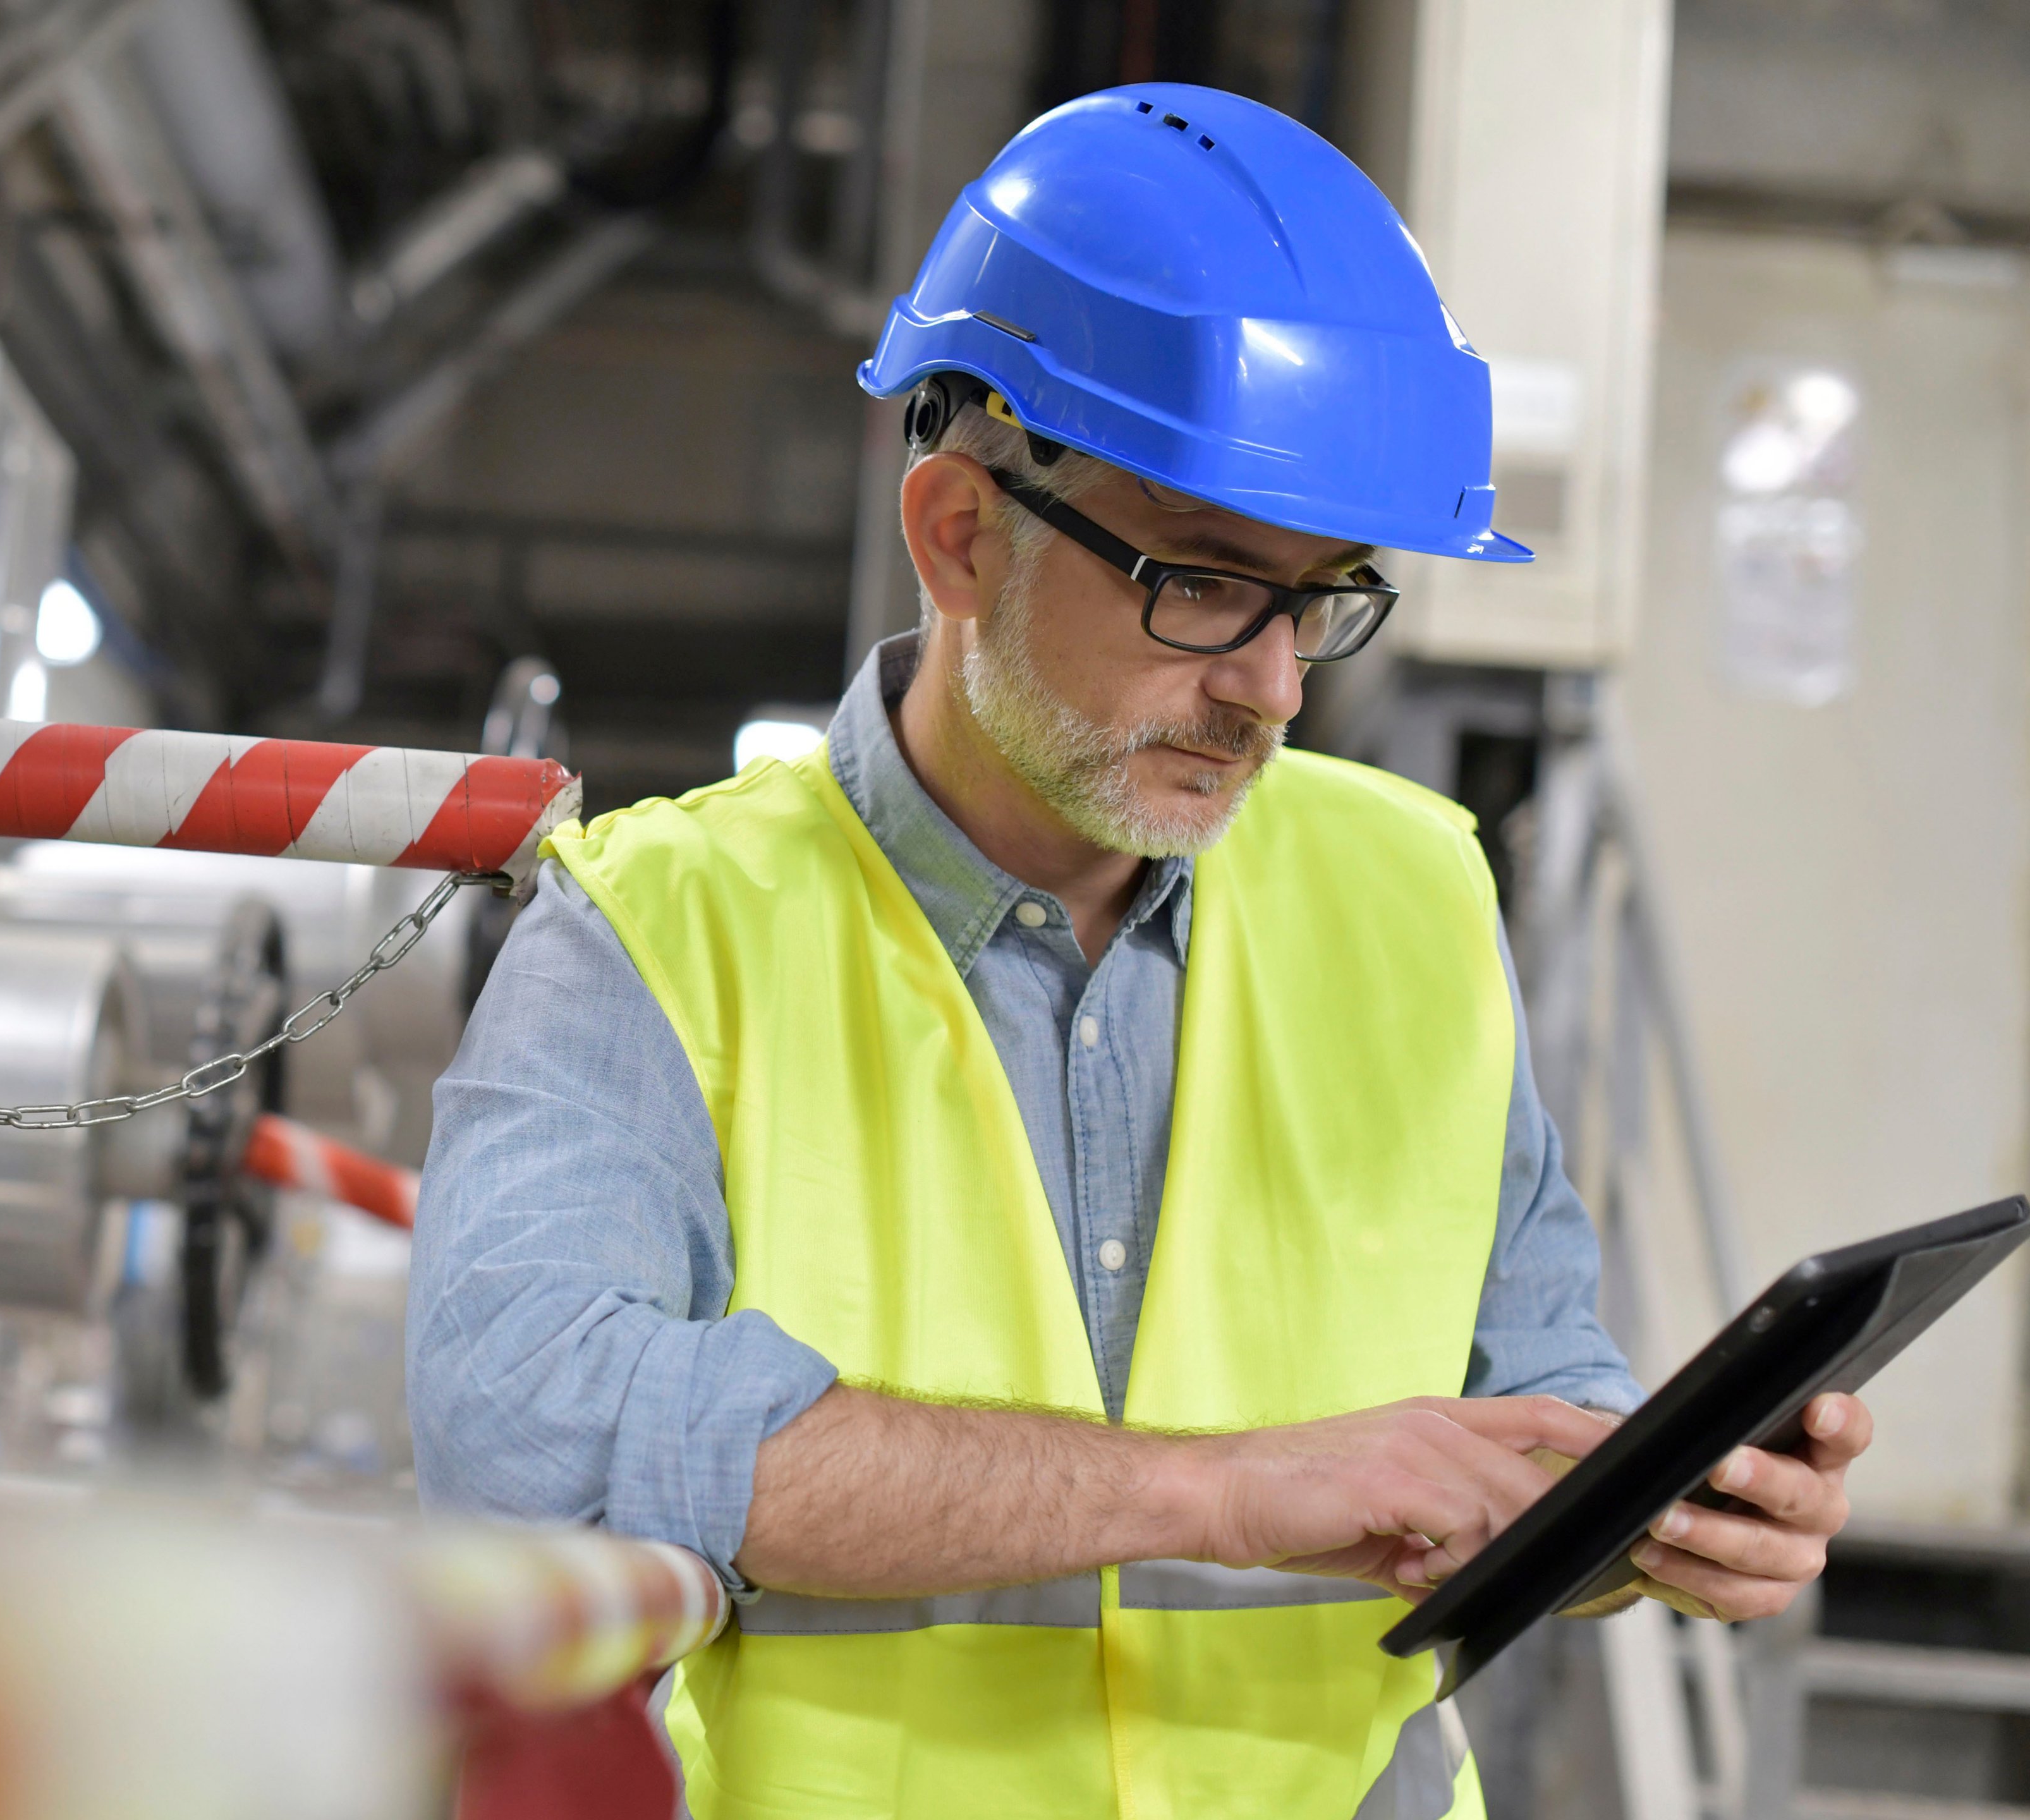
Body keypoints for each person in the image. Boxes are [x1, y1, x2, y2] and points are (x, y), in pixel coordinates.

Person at [408, 83, 1869, 1819]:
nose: (1271, 684)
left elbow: (1533, 1397)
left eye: (1322, 598)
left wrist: (1662, 1513)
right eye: (1201, 583)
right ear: (961, 535)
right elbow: (520, 1422)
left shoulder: (1415, 899)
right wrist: (1220, 1492)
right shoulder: (661, 936)